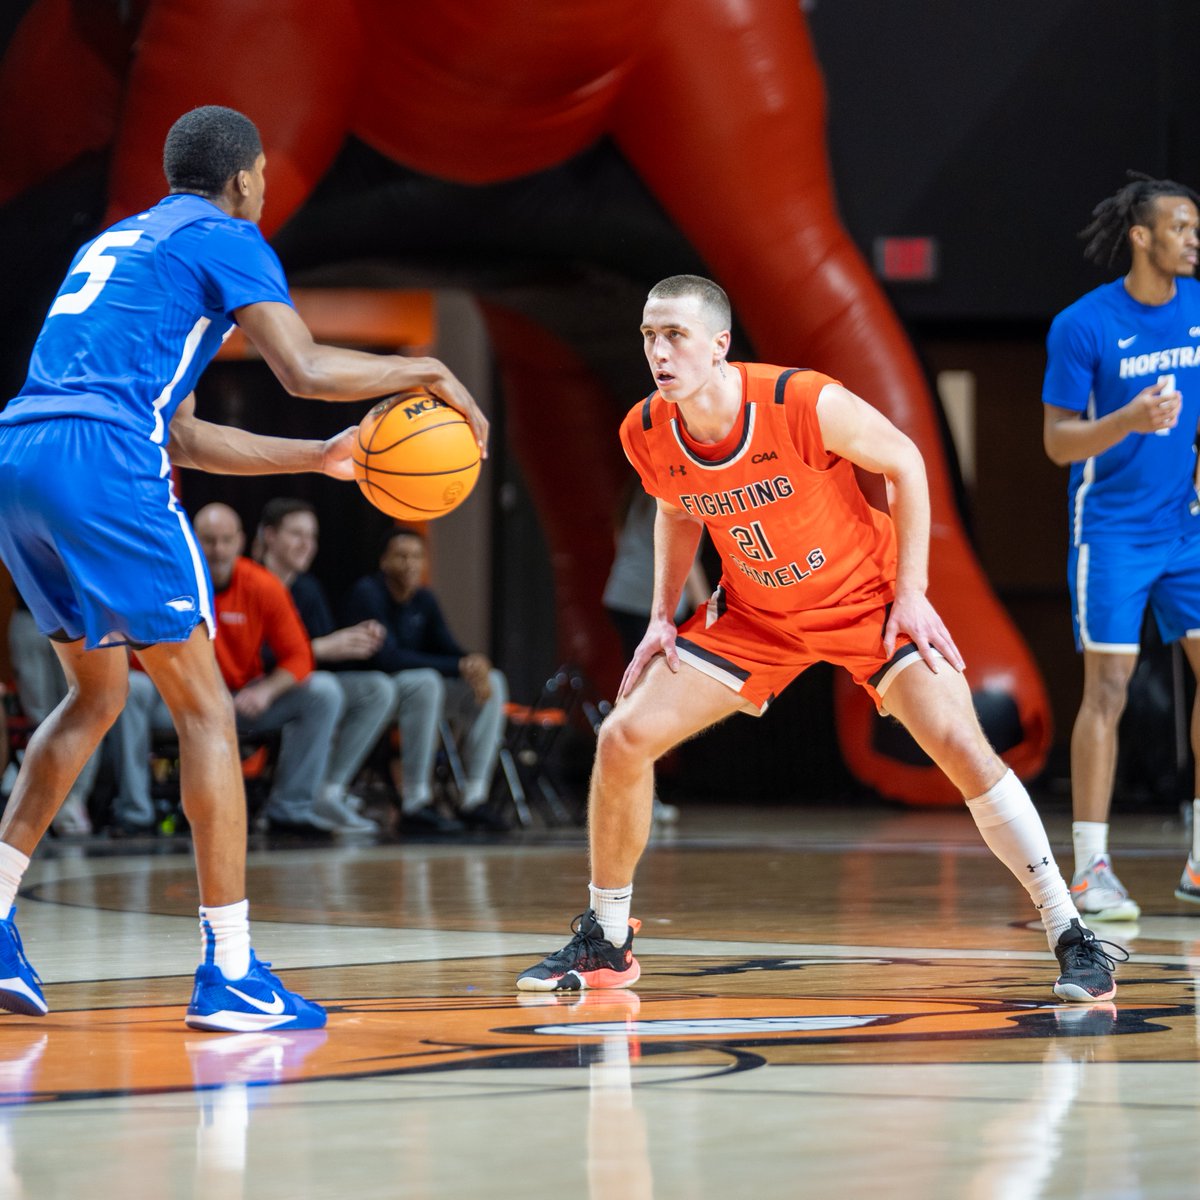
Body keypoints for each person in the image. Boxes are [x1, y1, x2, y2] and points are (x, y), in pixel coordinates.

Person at [0, 104, 486, 1031]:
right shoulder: (225, 235)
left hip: (19, 462)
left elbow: (177, 429)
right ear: (247, 177)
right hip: (104, 466)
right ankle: (230, 970)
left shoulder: (120, 243)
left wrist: (318, 457)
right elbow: (299, 368)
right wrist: (421, 369)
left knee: (95, 698)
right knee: (206, 709)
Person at [517, 274, 1125, 1002]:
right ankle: (608, 940)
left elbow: (905, 461)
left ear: (720, 345)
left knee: (963, 748)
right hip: (756, 614)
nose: (659, 351)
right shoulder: (645, 428)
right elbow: (676, 506)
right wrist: (658, 616)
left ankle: (1071, 932)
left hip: (864, 600)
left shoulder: (797, 400)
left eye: (674, 334)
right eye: (649, 335)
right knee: (622, 737)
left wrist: (913, 593)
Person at [1042, 173, 1200, 921]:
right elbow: (1057, 439)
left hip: (1187, 527)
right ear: (1142, 236)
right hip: (1110, 530)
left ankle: (1199, 859)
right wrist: (1129, 420)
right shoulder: (1084, 324)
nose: (1193, 238)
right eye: (1181, 226)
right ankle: (1091, 869)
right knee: (1107, 690)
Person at [115, 503, 362, 835]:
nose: (217, 551)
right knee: (133, 688)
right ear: (191, 540)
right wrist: (188, 692)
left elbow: (299, 655)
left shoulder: (262, 585)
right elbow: (136, 657)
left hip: (239, 701)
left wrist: (265, 690)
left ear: (240, 542)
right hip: (179, 703)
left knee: (324, 691)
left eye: (225, 540)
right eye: (208, 540)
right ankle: (135, 813)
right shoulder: (166, 583)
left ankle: (290, 808)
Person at [344, 527, 509, 833]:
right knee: (426, 681)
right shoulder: (369, 593)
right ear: (384, 561)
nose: (410, 564)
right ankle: (416, 800)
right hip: (376, 694)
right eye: (401, 556)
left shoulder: (424, 599)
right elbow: (388, 658)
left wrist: (473, 664)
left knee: (494, 681)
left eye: (417, 556)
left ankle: (474, 797)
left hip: (421, 695)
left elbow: (447, 648)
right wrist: (458, 664)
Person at [257, 497, 396, 829]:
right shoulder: (248, 582)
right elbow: (248, 658)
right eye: (297, 534)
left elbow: (324, 655)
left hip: (304, 687)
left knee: (377, 689)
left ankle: (328, 790)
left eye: (312, 536)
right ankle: (291, 801)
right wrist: (319, 648)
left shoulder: (307, 589)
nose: (307, 545)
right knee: (323, 690)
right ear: (269, 536)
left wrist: (354, 641)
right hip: (257, 690)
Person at [602, 485, 710, 824]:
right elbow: (685, 556)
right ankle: (636, 801)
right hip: (641, 604)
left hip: (624, 594)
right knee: (646, 701)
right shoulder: (676, 486)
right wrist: (709, 609)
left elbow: (621, 536)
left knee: (641, 697)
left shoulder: (640, 489)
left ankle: (633, 798)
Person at [7, 594, 99, 835]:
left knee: (86, 714)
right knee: (41, 720)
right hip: (29, 614)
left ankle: (72, 800)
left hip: (76, 615)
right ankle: (45, 803)